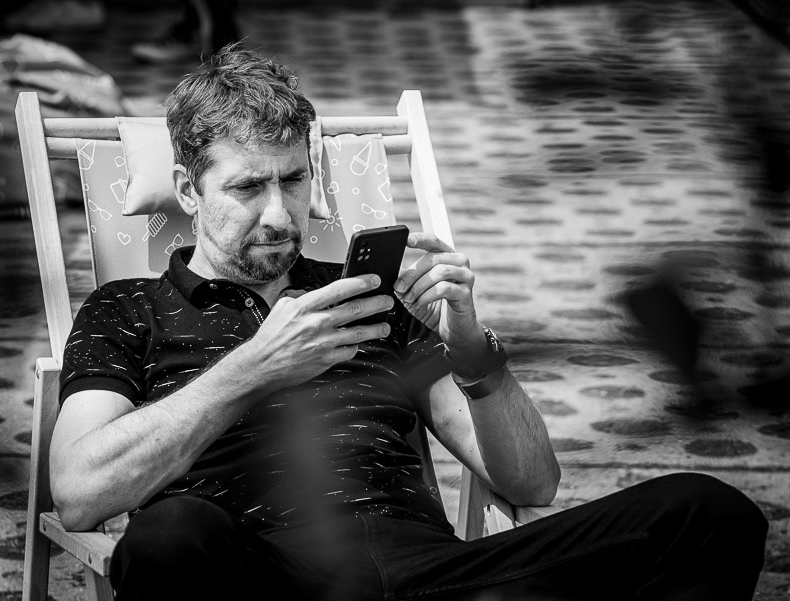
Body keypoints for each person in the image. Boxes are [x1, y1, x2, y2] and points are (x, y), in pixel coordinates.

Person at [50, 44, 768, 601]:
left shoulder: (371, 297)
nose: (278, 213)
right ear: (187, 189)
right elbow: (79, 493)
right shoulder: (127, 308)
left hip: (434, 575)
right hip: (269, 579)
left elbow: (531, 483)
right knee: (168, 535)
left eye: (293, 180)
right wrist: (254, 367)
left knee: (707, 513)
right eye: (246, 187)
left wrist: (471, 348)